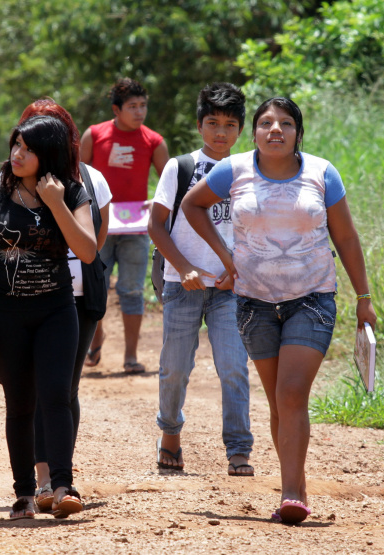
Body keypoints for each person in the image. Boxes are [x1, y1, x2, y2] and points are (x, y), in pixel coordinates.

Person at [182, 97, 377, 524]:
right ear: (253, 132)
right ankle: (295, 483)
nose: (276, 130)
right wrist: (225, 257)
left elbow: (345, 238)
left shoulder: (321, 173)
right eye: (266, 123)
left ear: (297, 133)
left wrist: (364, 298)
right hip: (253, 302)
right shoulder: (233, 170)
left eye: (286, 124)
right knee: (277, 401)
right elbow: (191, 206)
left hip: (312, 298)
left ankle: (292, 492)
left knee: (291, 393)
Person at [0, 116, 96, 520]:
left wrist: (55, 202)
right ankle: (23, 494)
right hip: (5, 315)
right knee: (20, 405)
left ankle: (62, 486)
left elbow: (87, 252)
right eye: (16, 145)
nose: (18, 154)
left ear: (49, 155)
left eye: (29, 148)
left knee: (56, 395)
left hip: (56, 310)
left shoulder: (72, 192)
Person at [149, 83, 253, 475]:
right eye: (213, 123)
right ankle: (170, 434)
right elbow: (157, 226)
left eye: (229, 124)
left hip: (232, 289)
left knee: (233, 367)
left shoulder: (249, 170)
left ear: (241, 129)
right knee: (175, 366)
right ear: (199, 125)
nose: (220, 132)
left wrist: (240, 271)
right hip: (182, 284)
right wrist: (185, 267)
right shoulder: (181, 167)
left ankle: (239, 449)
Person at [17, 99, 112, 512]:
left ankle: (60, 479)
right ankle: (44, 481)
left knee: (63, 389)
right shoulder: (14, 181)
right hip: (30, 298)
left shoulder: (91, 181)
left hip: (79, 298)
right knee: (38, 390)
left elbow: (96, 241)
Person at [80, 77, 169, 374]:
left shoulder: (153, 141)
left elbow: (170, 184)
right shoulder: (94, 135)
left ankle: (131, 356)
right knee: (95, 288)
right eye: (132, 106)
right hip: (98, 229)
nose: (140, 111)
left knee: (131, 291)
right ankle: (96, 336)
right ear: (116, 110)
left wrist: (156, 205)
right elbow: (77, 178)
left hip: (135, 231)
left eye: (143, 105)